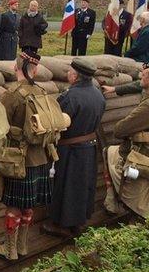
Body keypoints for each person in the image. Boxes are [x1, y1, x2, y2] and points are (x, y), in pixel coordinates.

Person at [0, 51, 54, 261]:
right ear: (34, 70)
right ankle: (22, 246)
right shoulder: (43, 91)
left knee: (14, 206)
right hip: (41, 157)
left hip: (18, 159)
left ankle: (10, 249)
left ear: (16, 68)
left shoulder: (12, 94)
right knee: (28, 205)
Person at [42, 58, 105, 237]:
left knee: (67, 186)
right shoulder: (97, 94)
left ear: (76, 76)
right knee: (83, 185)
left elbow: (59, 122)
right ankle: (78, 222)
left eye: (70, 72)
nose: (67, 74)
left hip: (71, 149)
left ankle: (62, 225)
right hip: (89, 148)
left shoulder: (71, 96)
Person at [106, 68, 149, 219]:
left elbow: (120, 130)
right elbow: (137, 85)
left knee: (110, 153)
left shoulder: (147, 106)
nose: (140, 77)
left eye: (144, 76)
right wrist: (115, 89)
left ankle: (116, 203)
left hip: (143, 158)